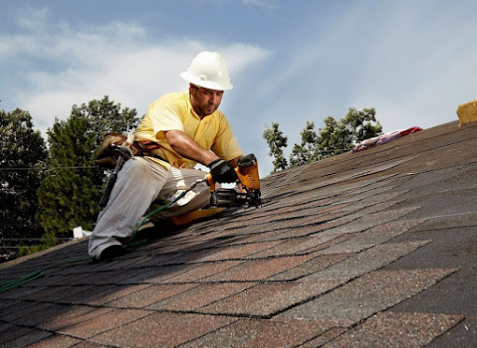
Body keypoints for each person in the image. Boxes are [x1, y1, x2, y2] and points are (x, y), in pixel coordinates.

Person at [88, 51, 243, 261]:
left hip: (177, 176)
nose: (213, 100)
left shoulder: (218, 120)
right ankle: (104, 244)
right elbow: (175, 138)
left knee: (210, 186)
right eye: (207, 92)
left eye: (219, 94)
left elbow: (235, 160)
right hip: (151, 165)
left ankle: (161, 213)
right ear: (192, 88)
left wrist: (247, 185)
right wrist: (213, 161)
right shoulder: (169, 103)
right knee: (139, 169)